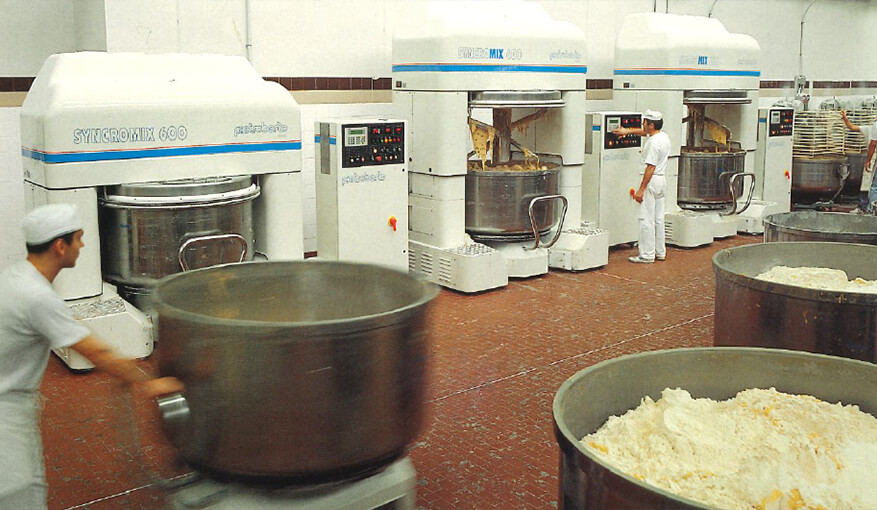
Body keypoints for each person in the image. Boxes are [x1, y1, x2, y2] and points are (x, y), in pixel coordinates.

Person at [0, 203, 184, 510]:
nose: (83, 245)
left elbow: (67, 326)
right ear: (61, 246)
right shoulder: (38, 297)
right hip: (6, 415)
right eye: (79, 238)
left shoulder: (15, 278)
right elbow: (96, 351)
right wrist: (149, 383)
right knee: (21, 495)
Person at [613, 110, 670, 263]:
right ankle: (660, 252)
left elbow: (650, 167)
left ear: (651, 125)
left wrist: (641, 189)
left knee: (646, 218)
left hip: (651, 181)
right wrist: (626, 131)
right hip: (661, 181)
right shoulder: (663, 137)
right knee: (658, 218)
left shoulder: (653, 143)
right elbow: (644, 133)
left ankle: (647, 255)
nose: (642, 124)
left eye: (644, 122)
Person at [840, 110, 876, 214]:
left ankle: (868, 208)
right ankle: (866, 207)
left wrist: (868, 160)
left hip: (873, 157)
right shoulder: (869, 129)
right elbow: (852, 127)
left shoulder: (873, 128)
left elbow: (873, 144)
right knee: (868, 183)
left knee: (871, 185)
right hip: (872, 157)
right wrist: (845, 118)